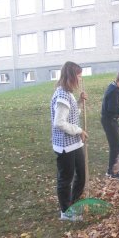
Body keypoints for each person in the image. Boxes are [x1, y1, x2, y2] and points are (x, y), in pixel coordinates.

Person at [50, 61, 88, 221]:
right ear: (71, 76)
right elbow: (59, 122)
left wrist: (79, 102)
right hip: (65, 145)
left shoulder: (68, 92)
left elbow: (71, 114)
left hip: (74, 143)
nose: (80, 79)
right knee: (66, 178)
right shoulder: (62, 95)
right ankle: (66, 211)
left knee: (81, 174)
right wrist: (79, 130)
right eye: (78, 76)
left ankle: (72, 203)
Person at [101, 71, 119, 179]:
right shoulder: (114, 91)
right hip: (109, 120)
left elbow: (114, 104)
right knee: (115, 147)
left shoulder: (114, 87)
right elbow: (111, 108)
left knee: (115, 146)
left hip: (111, 120)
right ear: (118, 81)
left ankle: (112, 170)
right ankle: (111, 172)